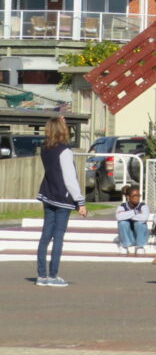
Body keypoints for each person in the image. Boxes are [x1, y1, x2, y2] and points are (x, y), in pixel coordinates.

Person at [36, 116, 86, 287]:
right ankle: (53, 275)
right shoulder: (65, 151)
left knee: (45, 237)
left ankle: (41, 275)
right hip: (61, 197)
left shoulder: (45, 148)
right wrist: (80, 201)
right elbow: (70, 179)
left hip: (47, 194)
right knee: (58, 237)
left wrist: (59, 120)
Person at [115, 185, 150, 255]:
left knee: (139, 223)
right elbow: (118, 217)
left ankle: (140, 246)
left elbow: (144, 218)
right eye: (134, 196)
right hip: (129, 236)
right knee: (122, 223)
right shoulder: (122, 206)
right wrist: (135, 212)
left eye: (138, 195)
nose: (137, 198)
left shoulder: (143, 206)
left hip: (141, 236)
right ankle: (125, 245)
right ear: (128, 197)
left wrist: (126, 215)